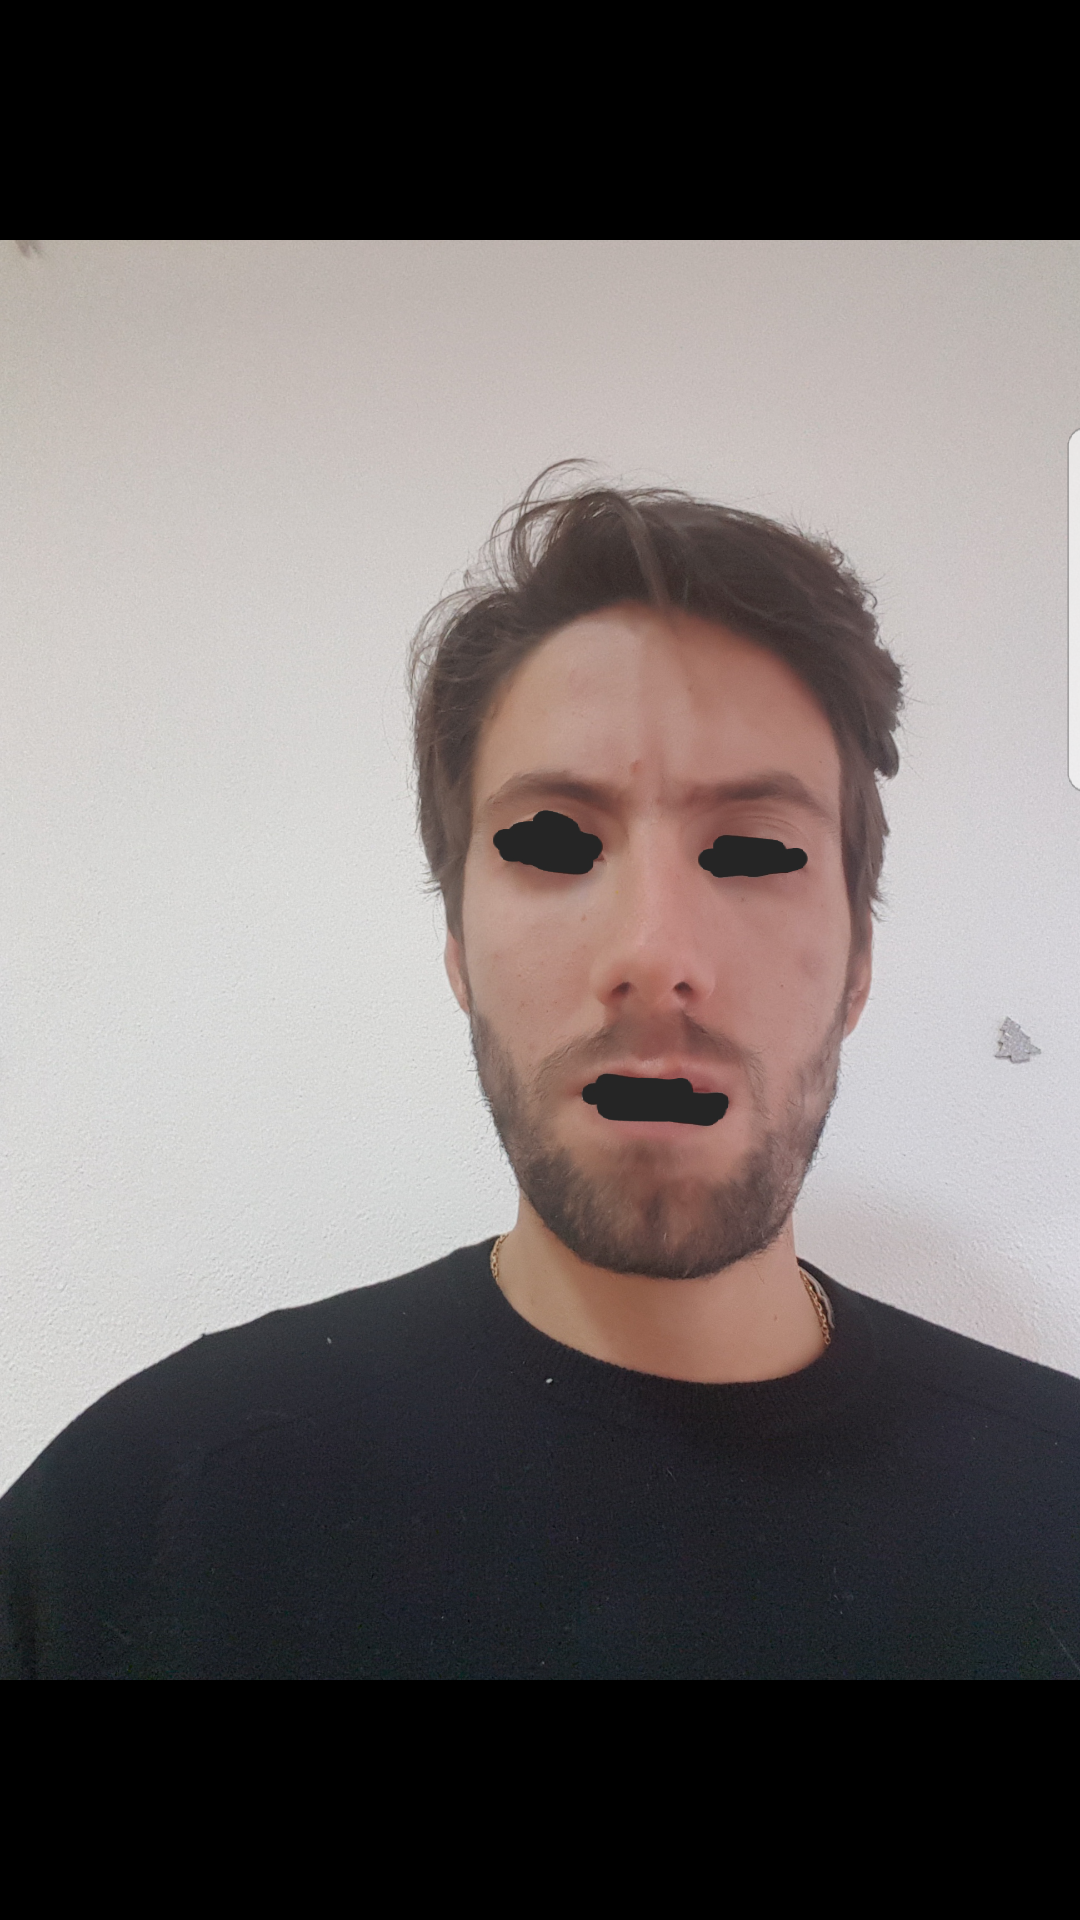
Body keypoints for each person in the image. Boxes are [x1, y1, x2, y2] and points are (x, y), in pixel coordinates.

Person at [3, 463, 1079, 1680]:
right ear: (459, 950)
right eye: (555, 843)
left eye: (753, 849)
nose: (655, 956)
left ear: (859, 967)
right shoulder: (131, 1529)